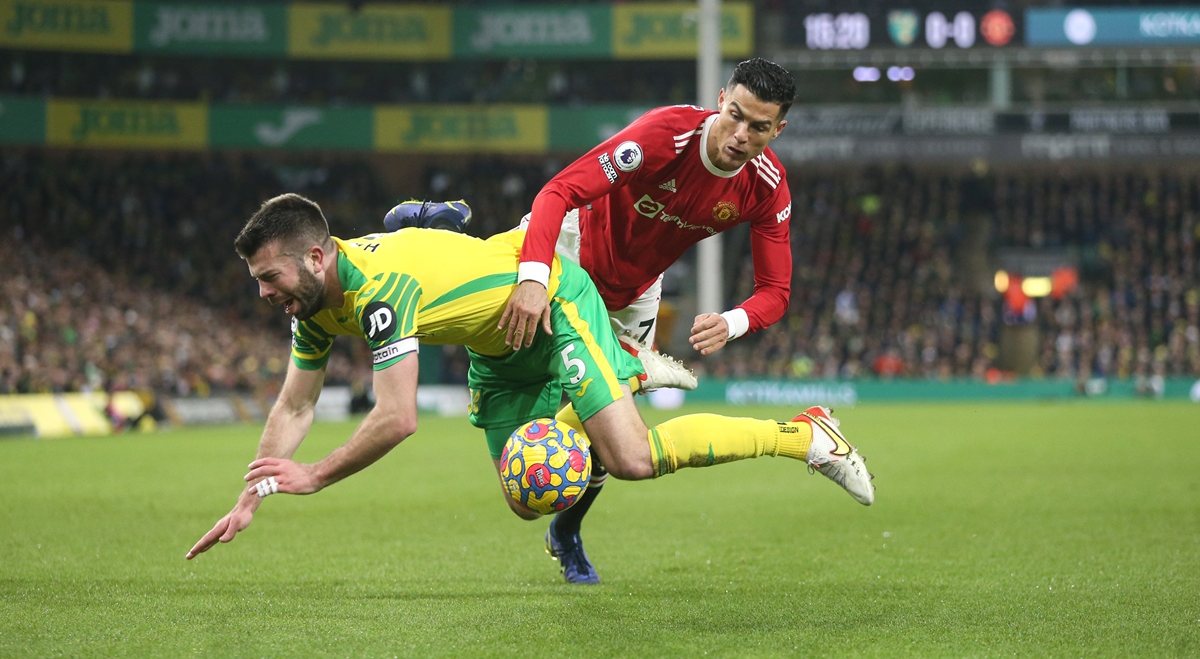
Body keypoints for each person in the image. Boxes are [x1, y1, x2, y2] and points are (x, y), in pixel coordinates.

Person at [186, 194, 873, 567]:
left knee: (630, 458)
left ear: (313, 256)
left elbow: (397, 418)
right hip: (496, 350)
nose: (263, 294)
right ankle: (622, 375)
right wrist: (256, 493)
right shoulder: (313, 302)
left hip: (548, 305)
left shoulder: (378, 288)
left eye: (269, 279)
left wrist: (312, 476)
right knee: (527, 497)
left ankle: (801, 434)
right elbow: (294, 405)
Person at [384, 57, 798, 582]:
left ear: (778, 129)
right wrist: (534, 277)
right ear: (720, 99)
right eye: (735, 115)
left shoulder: (766, 186)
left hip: (632, 298)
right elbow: (559, 192)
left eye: (758, 127)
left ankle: (567, 533)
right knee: (519, 491)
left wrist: (734, 321)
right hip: (567, 248)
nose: (740, 135)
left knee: (608, 445)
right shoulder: (662, 137)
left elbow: (776, 292)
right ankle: (437, 229)